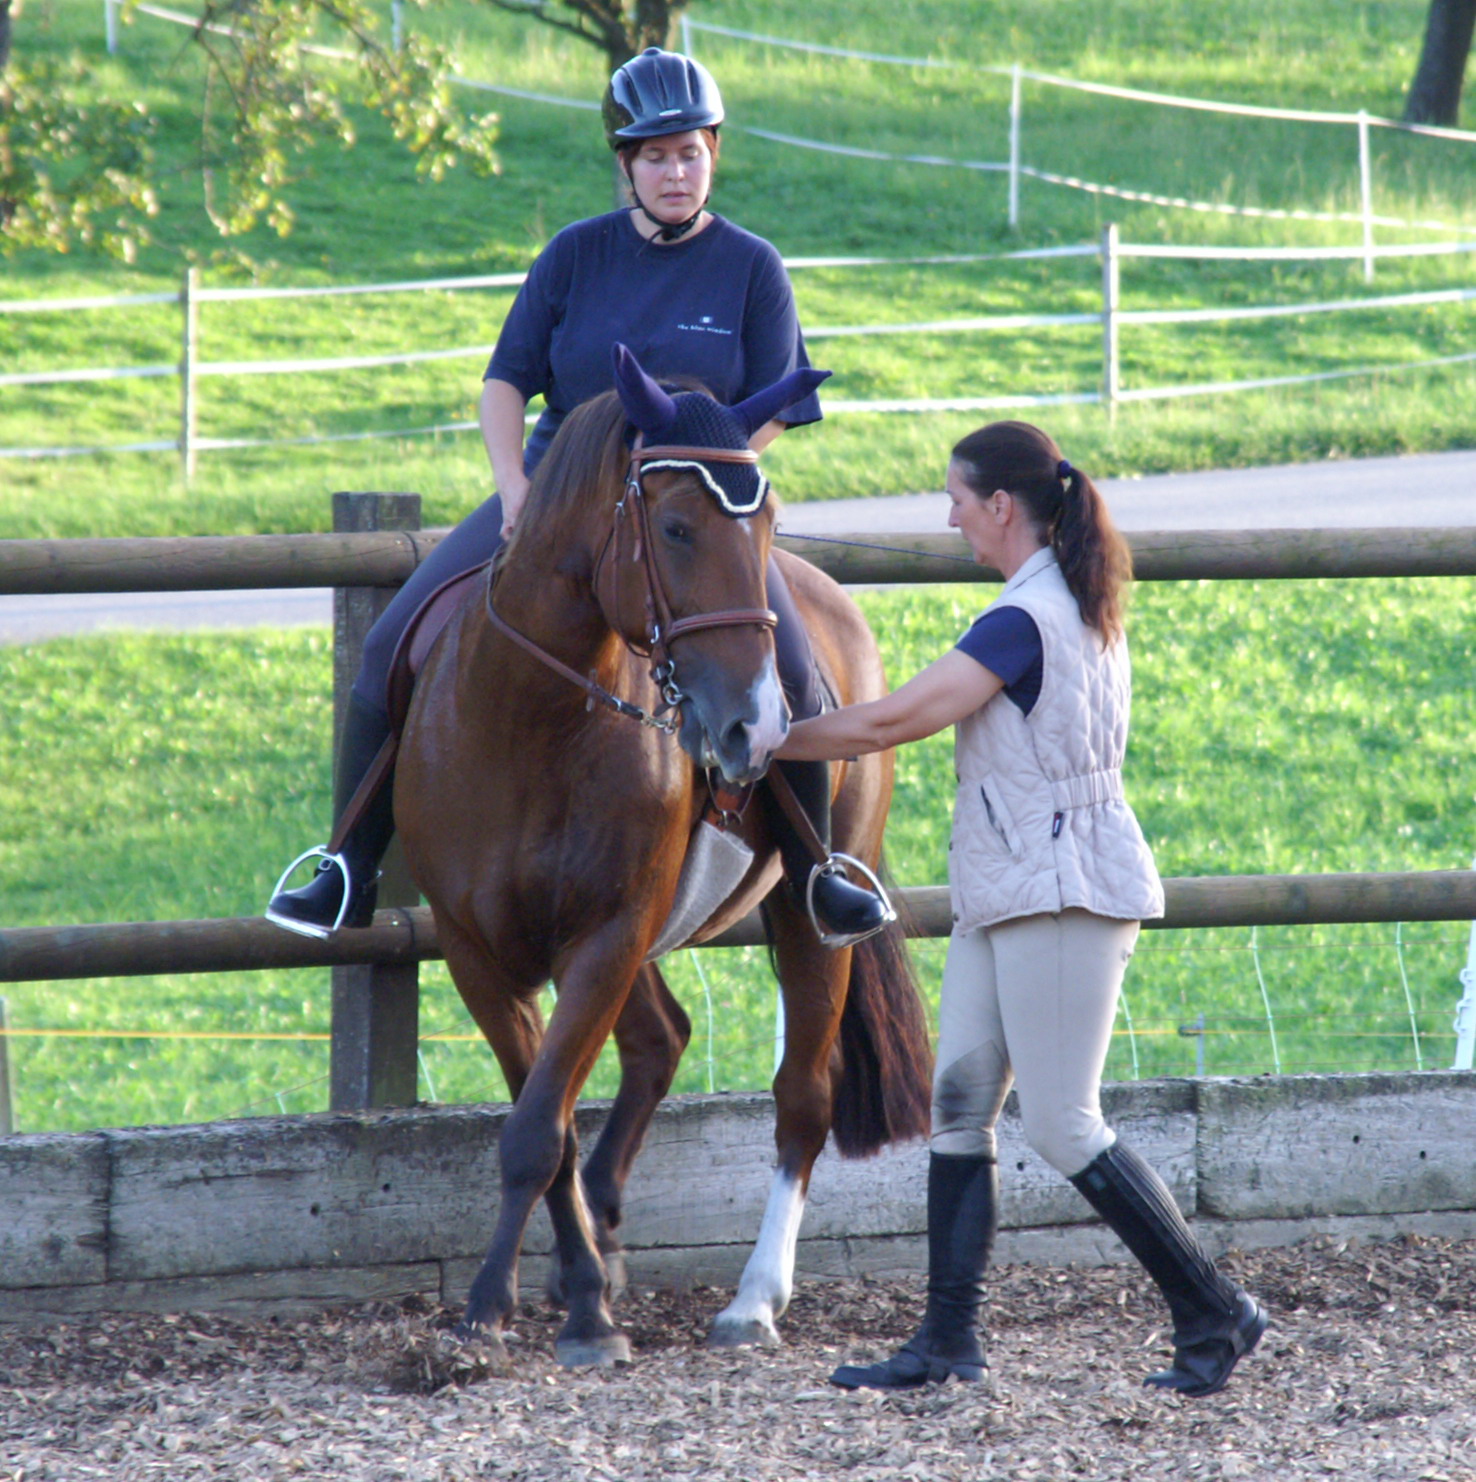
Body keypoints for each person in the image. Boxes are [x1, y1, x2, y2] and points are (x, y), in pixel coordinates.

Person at [266, 47, 889, 945]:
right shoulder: (573, 256)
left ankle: (821, 870)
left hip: (693, 517)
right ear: (625, 164)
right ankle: (345, 866)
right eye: (655, 156)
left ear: (714, 153)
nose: (675, 173)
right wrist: (514, 486)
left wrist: (702, 485)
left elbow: (775, 410)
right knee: (392, 642)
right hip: (557, 496)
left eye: (691, 153)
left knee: (795, 678)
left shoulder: (753, 267)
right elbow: (504, 384)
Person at [777, 421, 1267, 1398]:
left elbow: (895, 718)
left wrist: (767, 742)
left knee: (1063, 1122)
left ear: (1001, 506)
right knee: (961, 1111)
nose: (949, 518)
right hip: (1009, 886)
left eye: (957, 499)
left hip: (1063, 889)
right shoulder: (1055, 601)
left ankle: (1216, 1310)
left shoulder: (1022, 621)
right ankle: (946, 1342)